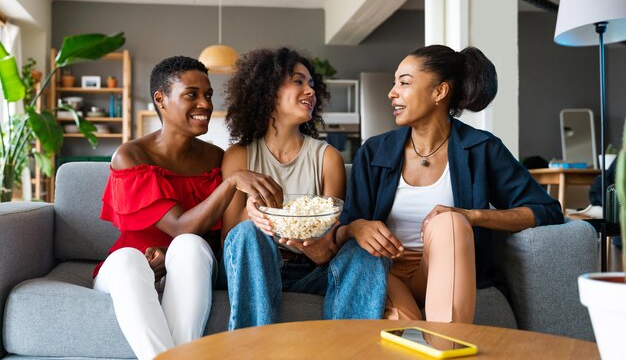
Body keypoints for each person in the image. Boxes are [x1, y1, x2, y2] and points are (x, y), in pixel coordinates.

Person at [332, 45, 564, 323]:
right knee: (404, 329)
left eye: (404, 82)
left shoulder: (482, 149)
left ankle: (450, 342)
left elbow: (546, 210)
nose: (392, 92)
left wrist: (470, 216)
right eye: (395, 83)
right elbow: (344, 228)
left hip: (444, 269)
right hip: (384, 270)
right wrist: (357, 227)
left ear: (439, 92)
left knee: (450, 223)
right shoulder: (373, 152)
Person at [93, 56, 282, 360]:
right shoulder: (131, 155)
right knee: (129, 259)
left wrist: (172, 257)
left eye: (207, 94)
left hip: (188, 267)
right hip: (131, 271)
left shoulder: (216, 158)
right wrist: (232, 181)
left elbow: (215, 235)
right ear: (161, 100)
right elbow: (179, 225)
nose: (205, 104)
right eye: (191, 94)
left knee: (190, 246)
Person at [221, 47, 390, 330]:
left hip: (310, 270)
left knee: (366, 253)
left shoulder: (328, 158)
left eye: (311, 84)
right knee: (247, 232)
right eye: (298, 81)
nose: (310, 91)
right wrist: (251, 213)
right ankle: (251, 349)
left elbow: (330, 240)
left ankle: (351, 350)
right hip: (257, 265)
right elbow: (229, 236)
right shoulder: (239, 156)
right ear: (268, 89)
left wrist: (320, 249)